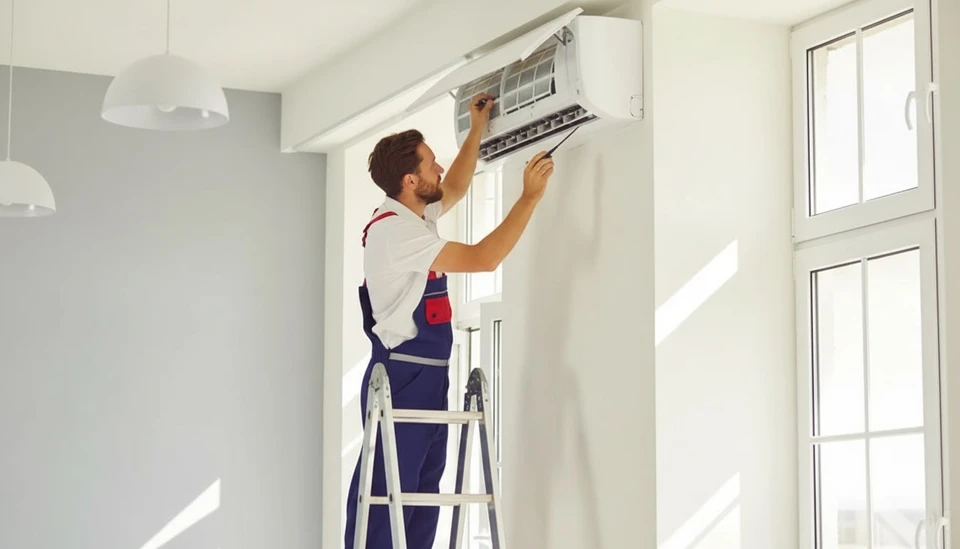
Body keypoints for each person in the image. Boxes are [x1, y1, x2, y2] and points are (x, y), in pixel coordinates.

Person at [343, 92, 556, 549]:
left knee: (422, 493)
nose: (438, 170)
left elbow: (455, 186)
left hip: (429, 375)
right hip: (401, 375)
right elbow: (484, 259)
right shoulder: (395, 232)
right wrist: (529, 198)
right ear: (409, 180)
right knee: (387, 497)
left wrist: (477, 127)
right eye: (430, 164)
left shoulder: (415, 215)